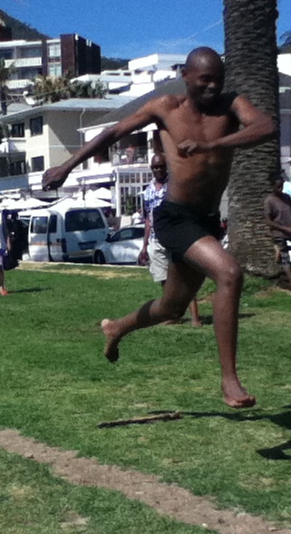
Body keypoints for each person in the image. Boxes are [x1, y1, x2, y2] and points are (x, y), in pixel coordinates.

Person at [41, 47, 275, 409]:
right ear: (185, 76)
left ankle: (116, 327)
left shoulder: (231, 105)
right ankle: (230, 381)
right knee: (229, 273)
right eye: (205, 80)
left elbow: (266, 127)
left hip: (206, 219)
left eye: (218, 80)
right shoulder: (165, 107)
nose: (213, 87)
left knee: (172, 308)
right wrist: (66, 167)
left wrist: (212, 144)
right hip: (175, 217)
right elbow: (113, 132)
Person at [139, 154, 201, 327]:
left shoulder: (175, 187)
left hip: (175, 238)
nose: (158, 169)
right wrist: (144, 245)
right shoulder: (147, 191)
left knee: (184, 278)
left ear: (166, 166)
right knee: (165, 280)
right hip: (156, 239)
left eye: (161, 166)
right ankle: (173, 315)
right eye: (155, 167)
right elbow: (148, 220)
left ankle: (195, 317)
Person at [264, 175, 291, 294]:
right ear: (272, 187)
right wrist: (284, 228)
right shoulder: (269, 200)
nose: (280, 189)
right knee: (286, 260)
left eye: (282, 186)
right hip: (279, 232)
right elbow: (268, 221)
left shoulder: (287, 197)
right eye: (278, 187)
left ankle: (282, 249)